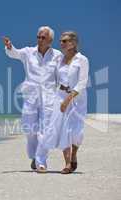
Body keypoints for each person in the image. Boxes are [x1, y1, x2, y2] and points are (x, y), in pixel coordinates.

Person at [3, 26, 62, 172]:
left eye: (43, 38)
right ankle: (34, 157)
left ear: (50, 40)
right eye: (38, 37)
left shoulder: (57, 56)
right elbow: (14, 53)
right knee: (29, 129)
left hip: (49, 97)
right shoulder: (28, 52)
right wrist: (10, 47)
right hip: (31, 96)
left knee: (45, 130)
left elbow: (62, 76)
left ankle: (41, 161)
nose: (40, 40)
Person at [41, 31, 89, 174]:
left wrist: (68, 99)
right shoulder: (59, 59)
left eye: (64, 41)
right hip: (60, 96)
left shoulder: (82, 60)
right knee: (63, 130)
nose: (61, 43)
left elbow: (82, 82)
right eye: (61, 41)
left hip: (77, 99)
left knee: (76, 132)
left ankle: (74, 155)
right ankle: (68, 163)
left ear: (73, 43)